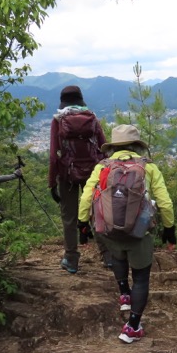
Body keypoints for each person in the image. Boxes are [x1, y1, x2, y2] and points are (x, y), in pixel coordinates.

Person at [77, 124, 176, 344]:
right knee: (141, 278)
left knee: (117, 257)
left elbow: (86, 198)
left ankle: (124, 294)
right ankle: (132, 327)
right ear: (136, 146)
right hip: (138, 232)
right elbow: (165, 203)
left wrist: (82, 225)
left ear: (113, 146)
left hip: (109, 230)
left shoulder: (102, 167)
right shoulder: (148, 167)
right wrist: (170, 229)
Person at [48, 85, 112, 273]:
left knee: (69, 217)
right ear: (81, 100)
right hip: (93, 173)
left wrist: (52, 182)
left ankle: (72, 259)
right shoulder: (92, 118)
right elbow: (104, 147)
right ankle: (107, 256)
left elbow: (53, 155)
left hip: (67, 174)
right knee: (96, 212)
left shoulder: (58, 120)